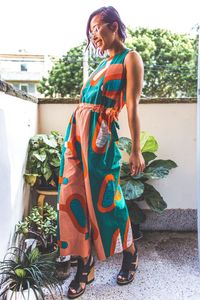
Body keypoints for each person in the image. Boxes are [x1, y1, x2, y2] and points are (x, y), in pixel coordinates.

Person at [57, 6, 145, 299]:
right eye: (90, 30)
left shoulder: (129, 57)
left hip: (100, 139)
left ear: (114, 26)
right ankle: (85, 264)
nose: (94, 34)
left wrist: (136, 149)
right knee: (72, 197)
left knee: (108, 201)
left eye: (97, 27)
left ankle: (130, 253)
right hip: (76, 136)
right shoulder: (99, 65)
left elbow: (131, 106)